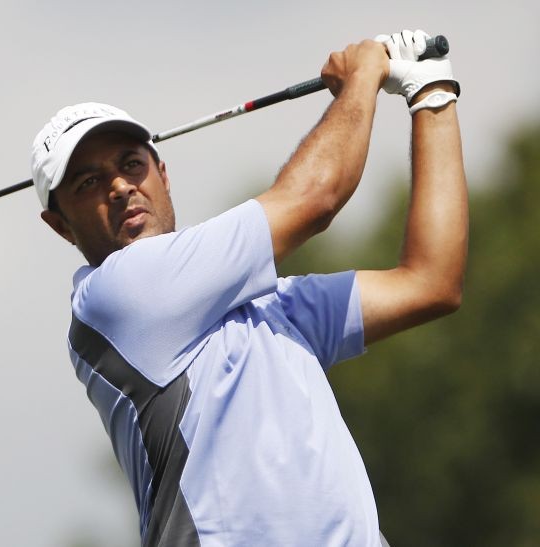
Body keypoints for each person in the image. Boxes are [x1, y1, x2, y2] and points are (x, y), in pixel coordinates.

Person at [30, 30, 467, 547]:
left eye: (131, 164)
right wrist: (363, 75)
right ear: (59, 226)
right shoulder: (118, 294)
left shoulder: (266, 308)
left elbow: (430, 282)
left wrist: (431, 93)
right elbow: (315, 197)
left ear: (162, 174)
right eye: (88, 183)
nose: (121, 187)